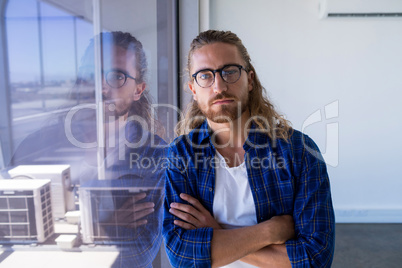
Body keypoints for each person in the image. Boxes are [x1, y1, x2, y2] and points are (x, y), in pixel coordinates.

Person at [162, 30, 335, 267]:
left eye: (230, 71)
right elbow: (182, 255)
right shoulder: (181, 154)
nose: (219, 86)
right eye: (205, 76)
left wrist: (215, 233)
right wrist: (269, 231)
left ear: (250, 80)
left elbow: (315, 258)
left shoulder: (299, 151)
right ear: (193, 89)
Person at [11, 31, 166, 268]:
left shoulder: (156, 154)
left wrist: (61, 233)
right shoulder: (36, 147)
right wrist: (100, 227)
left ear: (138, 89)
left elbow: (137, 253)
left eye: (116, 76)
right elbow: (13, 236)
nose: (100, 87)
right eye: (90, 74)